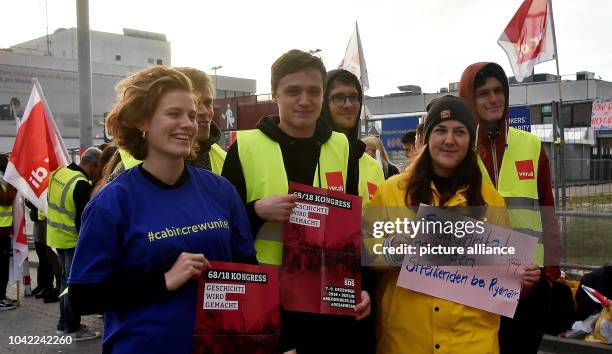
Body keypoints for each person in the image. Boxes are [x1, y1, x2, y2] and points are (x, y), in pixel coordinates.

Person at [67, 66, 256, 354]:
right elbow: (82, 296)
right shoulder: (112, 203)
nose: (188, 124)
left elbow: (247, 270)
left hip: (220, 345)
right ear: (143, 121)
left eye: (191, 116)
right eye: (174, 114)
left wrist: (266, 336)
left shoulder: (220, 191)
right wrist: (163, 280)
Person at [364, 95, 540, 353]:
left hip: (472, 342)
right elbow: (365, 250)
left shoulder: (490, 200)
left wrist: (522, 275)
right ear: (426, 138)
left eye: (459, 132)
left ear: (470, 141)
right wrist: (393, 250)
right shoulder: (391, 192)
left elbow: (505, 269)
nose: (449, 140)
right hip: (405, 342)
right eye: (440, 131)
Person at [221, 49, 370, 353]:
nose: (304, 100)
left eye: (313, 91)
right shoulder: (244, 147)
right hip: (267, 300)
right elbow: (223, 230)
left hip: (328, 300)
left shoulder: (342, 146)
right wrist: (257, 211)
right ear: (274, 93)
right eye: (293, 91)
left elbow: (351, 231)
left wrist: (359, 285)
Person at [459, 62, 562, 354]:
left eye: (498, 91)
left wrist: (551, 273)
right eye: (483, 93)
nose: (493, 99)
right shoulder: (459, 151)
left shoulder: (530, 145)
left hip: (530, 286)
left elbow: (547, 210)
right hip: (478, 285)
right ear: (469, 98)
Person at [108, 67, 226, 180]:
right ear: (142, 121)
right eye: (174, 113)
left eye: (208, 103)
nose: (204, 112)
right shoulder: (119, 189)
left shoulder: (223, 163)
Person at [46, 147, 102, 339]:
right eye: (98, 168)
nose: (97, 174)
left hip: (55, 237)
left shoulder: (58, 173)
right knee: (71, 285)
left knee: (64, 282)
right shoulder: (81, 184)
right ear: (92, 165)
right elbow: (82, 221)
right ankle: (69, 326)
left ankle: (66, 322)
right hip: (71, 241)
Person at [320, 68, 384, 204]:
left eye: (354, 97)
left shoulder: (374, 167)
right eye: (339, 98)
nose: (348, 105)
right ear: (323, 103)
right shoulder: (312, 155)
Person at [176, 67, 227, 173]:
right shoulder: (140, 167)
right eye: (195, 103)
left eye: (208, 103)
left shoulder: (224, 159)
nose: (204, 111)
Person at [25, 199, 61, 303]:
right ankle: (42, 285)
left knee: (49, 257)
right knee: (41, 256)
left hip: (47, 221)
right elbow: (30, 201)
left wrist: (32, 199)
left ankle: (50, 287)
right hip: (39, 220)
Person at [0, 154, 17, 310]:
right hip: (1, 231)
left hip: (4, 229)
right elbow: (6, 200)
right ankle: (1, 298)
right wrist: (14, 183)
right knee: (2, 267)